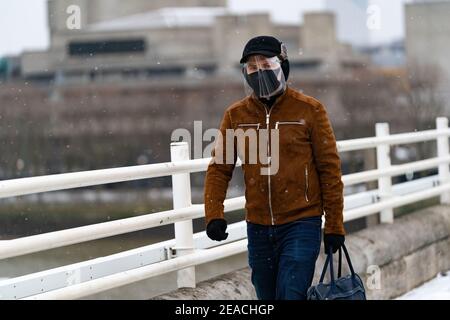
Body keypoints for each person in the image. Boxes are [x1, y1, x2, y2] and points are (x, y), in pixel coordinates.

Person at [203, 35, 345, 300]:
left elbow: (329, 170)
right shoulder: (236, 115)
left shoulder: (310, 110)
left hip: (302, 222)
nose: (260, 73)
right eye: (252, 68)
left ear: (283, 66)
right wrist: (214, 214)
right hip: (257, 227)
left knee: (291, 293)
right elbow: (220, 168)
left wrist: (334, 225)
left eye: (266, 65)